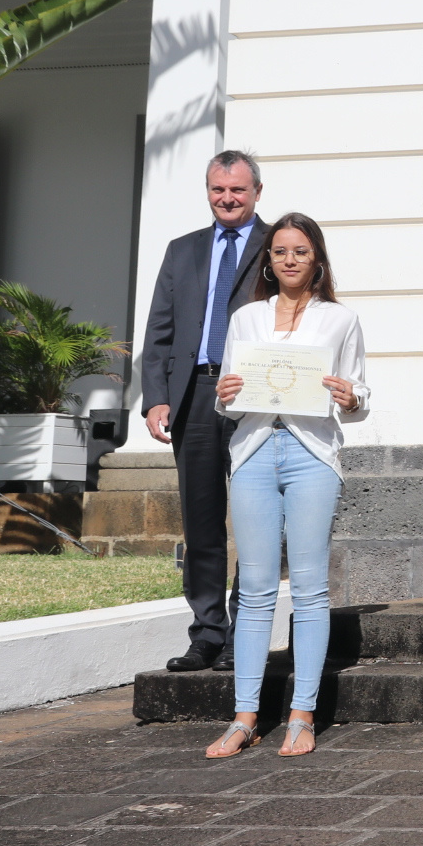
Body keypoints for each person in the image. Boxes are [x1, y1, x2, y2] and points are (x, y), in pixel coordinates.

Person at [203, 213, 369, 759]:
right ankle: (245, 715)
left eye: (300, 251)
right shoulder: (247, 318)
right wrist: (223, 394)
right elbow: (227, 401)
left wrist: (351, 397)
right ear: (268, 262)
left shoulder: (340, 320)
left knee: (310, 585)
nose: (290, 259)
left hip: (312, 454)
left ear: (316, 258)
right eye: (280, 252)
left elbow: (361, 397)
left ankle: (302, 713)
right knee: (252, 588)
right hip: (252, 453)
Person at [139, 150, 272, 673]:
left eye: (238, 190)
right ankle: (208, 633)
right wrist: (156, 398)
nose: (228, 198)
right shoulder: (183, 251)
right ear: (208, 191)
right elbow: (159, 330)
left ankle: (247, 633)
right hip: (193, 396)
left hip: (252, 396)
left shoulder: (276, 245)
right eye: (219, 190)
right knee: (201, 521)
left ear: (257, 191)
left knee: (255, 518)